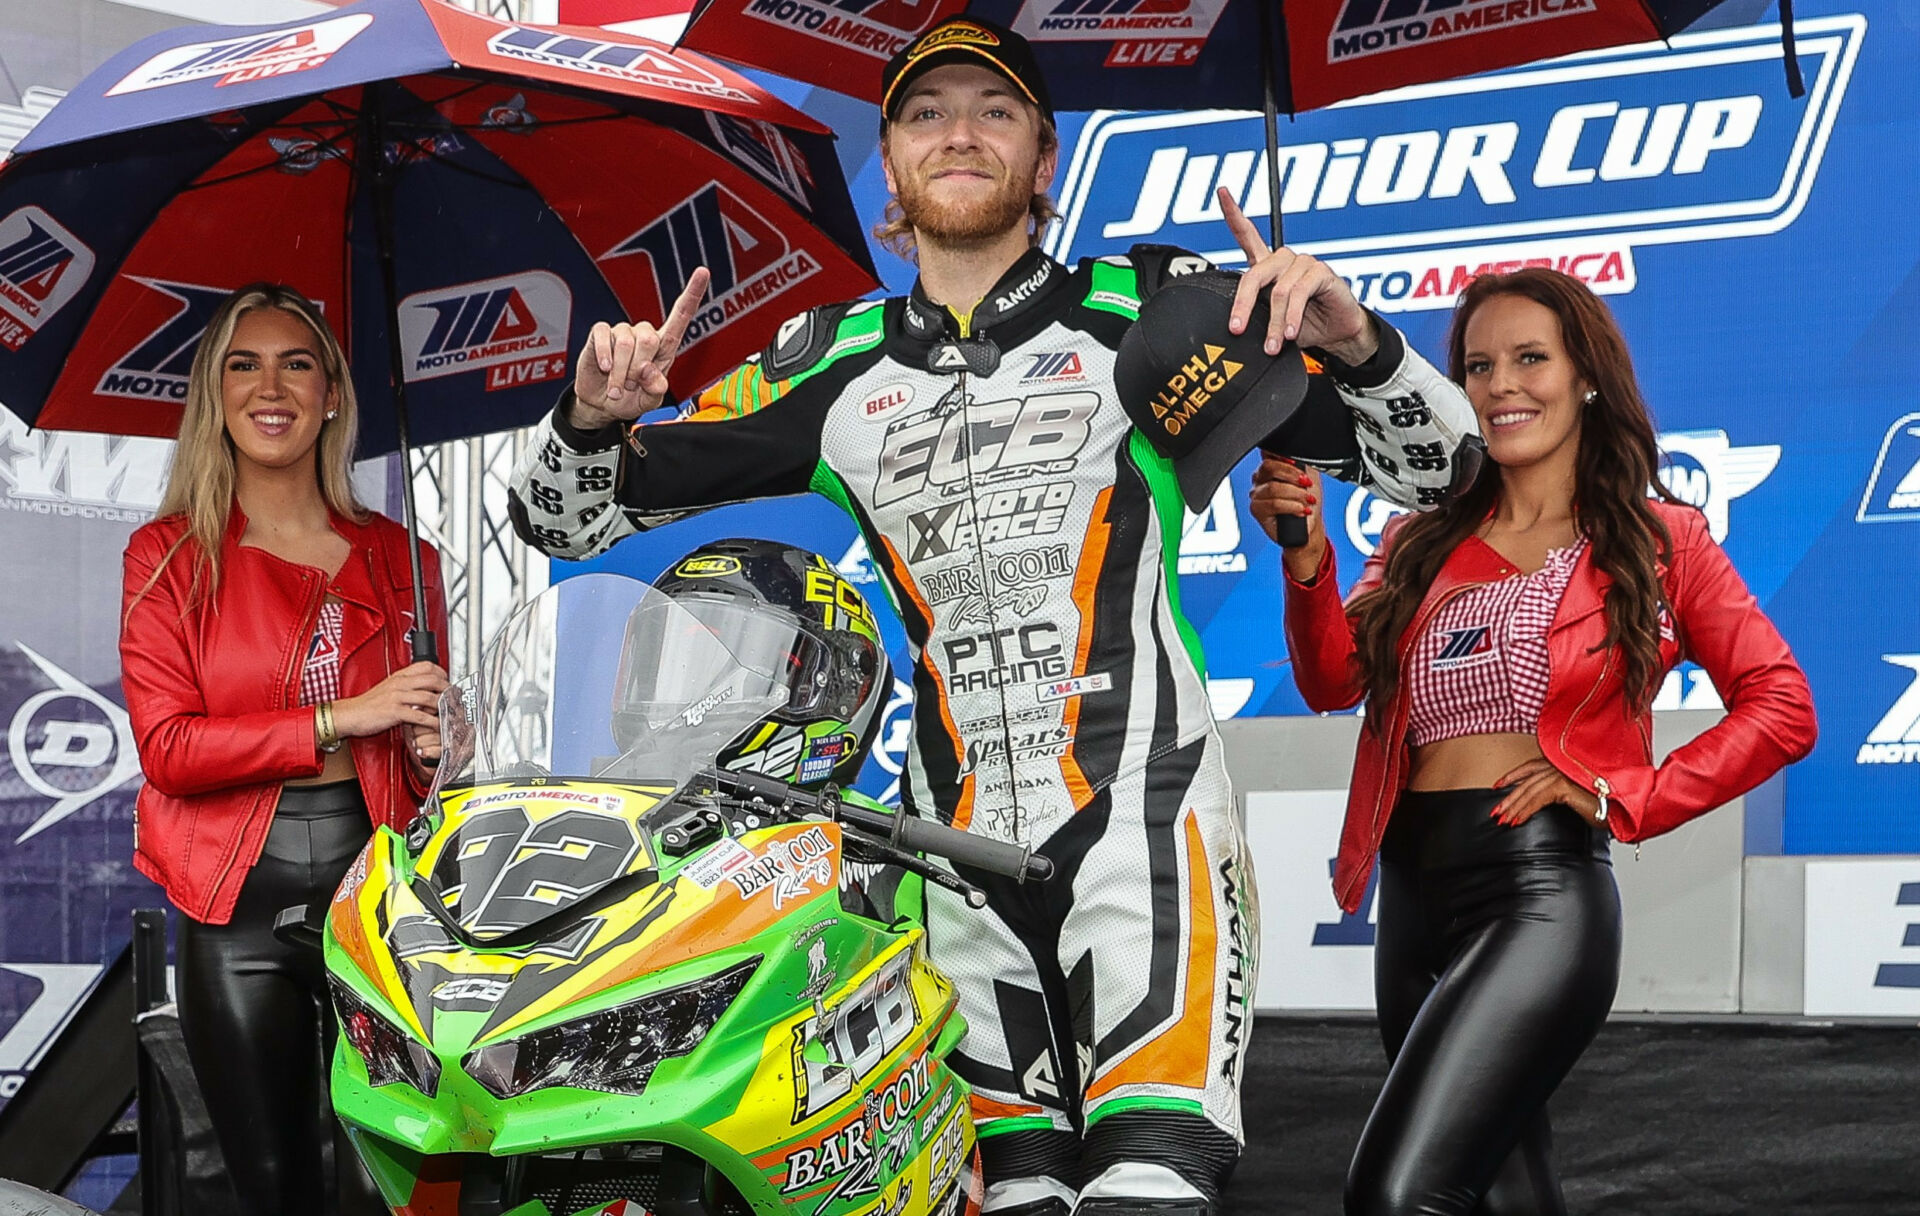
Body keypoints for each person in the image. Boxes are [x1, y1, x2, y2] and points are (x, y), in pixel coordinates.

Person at [505, 17, 1482, 1215]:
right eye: (925, 114)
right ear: (895, 175)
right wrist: (591, 418)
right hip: (948, 860)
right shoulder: (831, 362)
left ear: (1047, 157)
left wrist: (1364, 344)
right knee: (1007, 1192)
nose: (959, 132)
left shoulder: (1157, 311)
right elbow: (567, 523)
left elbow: (1444, 475)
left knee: (1149, 1180)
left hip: (1147, 824)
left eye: (994, 110)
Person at [1252, 267, 1816, 1216]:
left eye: (1529, 359)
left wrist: (1620, 796)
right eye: (1478, 366)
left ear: (1585, 375)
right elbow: (1331, 680)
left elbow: (1781, 705)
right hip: (1413, 901)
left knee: (1398, 1194)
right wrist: (1307, 556)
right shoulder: (1419, 537)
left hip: (1539, 896)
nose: (1501, 384)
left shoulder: (1657, 537)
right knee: (1506, 1196)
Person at [119, 283, 450, 1216]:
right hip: (235, 905)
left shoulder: (404, 559)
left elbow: (427, 763)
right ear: (214, 396)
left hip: (378, 899)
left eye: (297, 362)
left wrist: (435, 745)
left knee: (389, 1186)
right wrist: (344, 717)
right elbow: (171, 751)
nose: (273, 386)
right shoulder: (169, 555)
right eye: (244, 363)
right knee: (272, 1192)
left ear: (334, 392)